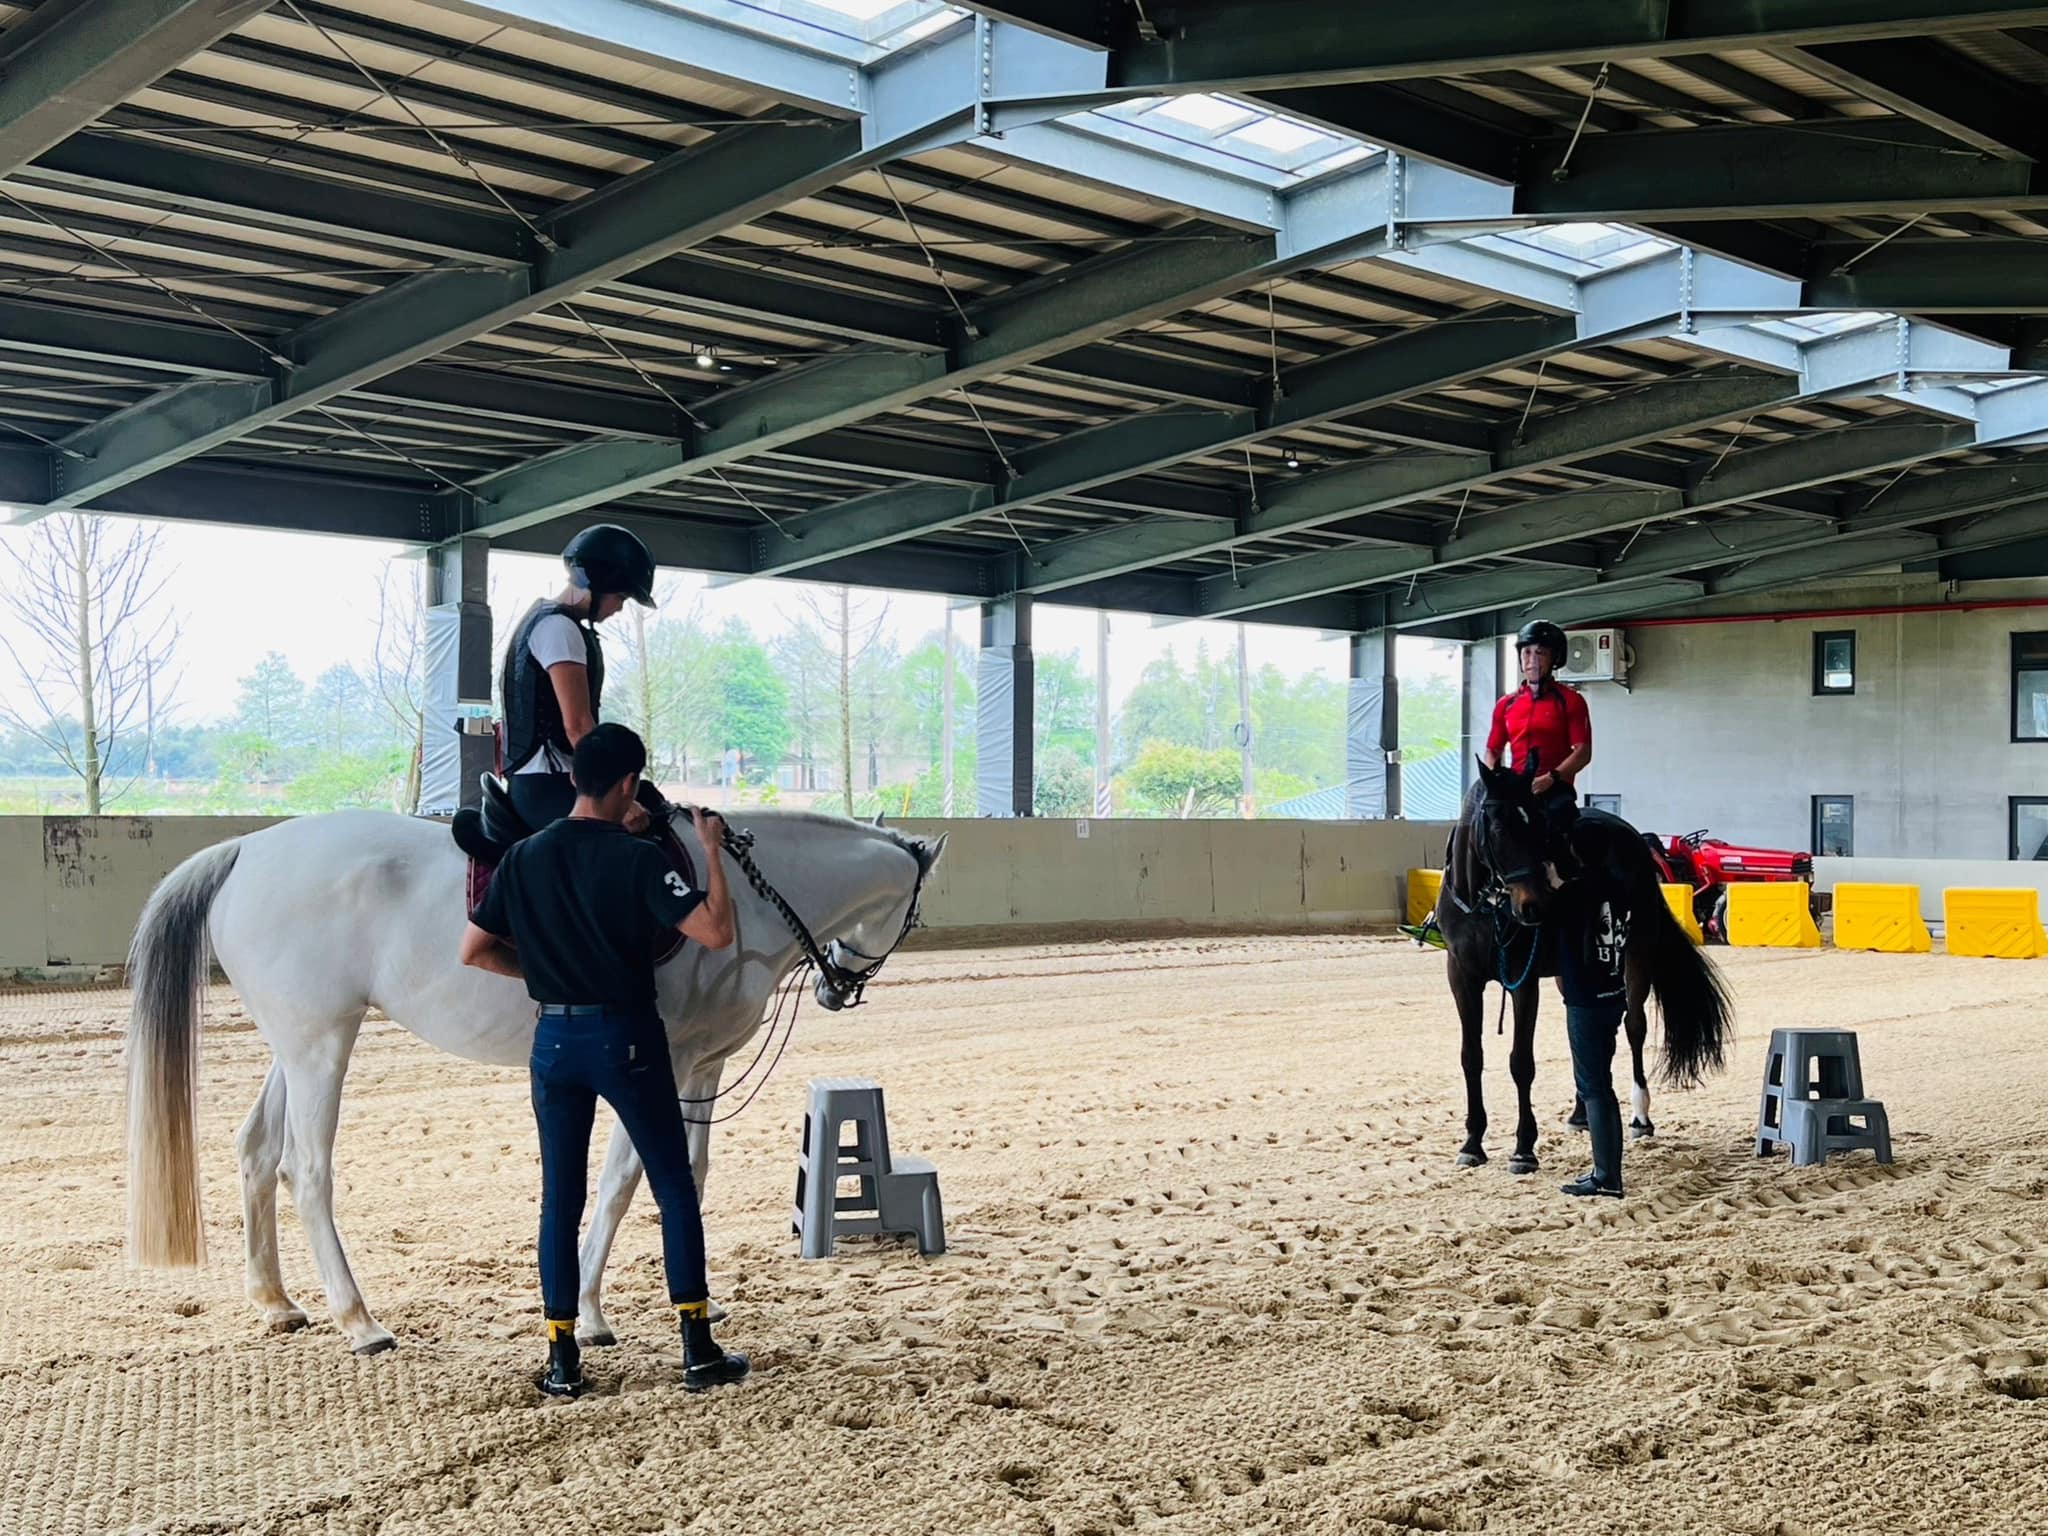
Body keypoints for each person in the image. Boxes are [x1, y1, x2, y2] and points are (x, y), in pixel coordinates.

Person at [459, 722, 751, 1397]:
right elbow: (715, 931)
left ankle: (563, 1362)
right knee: (673, 1188)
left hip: (553, 1044)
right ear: (627, 785)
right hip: (626, 1038)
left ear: (572, 780)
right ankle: (697, 1347)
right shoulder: (640, 859)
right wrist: (708, 852)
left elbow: (472, 950)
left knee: (559, 1201)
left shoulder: (523, 858)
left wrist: (539, 975)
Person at [501, 524, 658, 832]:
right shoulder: (560, 630)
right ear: (598, 584)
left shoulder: (548, 620)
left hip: (546, 778)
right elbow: (578, 726)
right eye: (621, 597)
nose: (620, 608)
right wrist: (612, 793)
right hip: (547, 782)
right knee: (626, 838)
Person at [1485, 618, 1592, 868]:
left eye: (1540, 653)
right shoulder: (1506, 704)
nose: (1532, 660)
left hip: (1554, 789)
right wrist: (1494, 778)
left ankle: (1571, 879)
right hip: (1516, 787)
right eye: (1527, 652)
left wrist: (1550, 778)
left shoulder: (1571, 701)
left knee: (1562, 829)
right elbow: (1493, 748)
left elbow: (1583, 752)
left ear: (1554, 658)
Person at [1553, 865, 1632, 1199]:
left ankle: (1606, 1176)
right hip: (1614, 994)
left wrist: (1554, 879)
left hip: (1584, 1001)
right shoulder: (1621, 885)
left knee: (1593, 1088)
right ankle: (1607, 1170)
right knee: (1603, 1085)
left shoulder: (1569, 894)